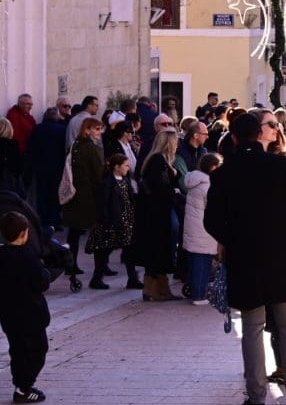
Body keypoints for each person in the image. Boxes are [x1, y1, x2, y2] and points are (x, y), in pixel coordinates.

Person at [205, 109, 286, 405]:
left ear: (235, 137)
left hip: (245, 259)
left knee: (252, 327)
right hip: (282, 255)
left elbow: (211, 220)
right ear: (260, 135)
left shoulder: (224, 173)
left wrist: (234, 239)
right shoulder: (282, 165)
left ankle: (256, 401)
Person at [0, 210, 50, 403]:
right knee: (37, 350)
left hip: (9, 314)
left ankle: (21, 384)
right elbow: (41, 282)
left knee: (18, 350)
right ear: (24, 233)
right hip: (30, 314)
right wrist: (45, 273)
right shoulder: (28, 256)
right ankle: (24, 387)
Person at [133, 129, 180, 302]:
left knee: (156, 251)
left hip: (153, 213)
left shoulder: (155, 160)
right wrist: (173, 191)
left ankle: (154, 288)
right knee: (158, 250)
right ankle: (156, 289)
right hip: (156, 214)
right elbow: (160, 187)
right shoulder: (158, 161)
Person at [87, 153, 140, 290]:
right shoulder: (107, 184)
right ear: (116, 167)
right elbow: (103, 205)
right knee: (103, 251)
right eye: (126, 166)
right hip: (112, 222)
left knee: (129, 250)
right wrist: (107, 222)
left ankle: (132, 278)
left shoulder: (125, 180)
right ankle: (96, 278)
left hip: (126, 221)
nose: (128, 168)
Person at [64, 117, 104, 277]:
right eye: (96, 129)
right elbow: (97, 174)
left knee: (73, 232)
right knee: (98, 232)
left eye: (100, 129)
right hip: (87, 195)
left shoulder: (74, 145)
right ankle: (99, 272)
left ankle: (70, 264)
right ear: (87, 130)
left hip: (74, 194)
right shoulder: (90, 147)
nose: (99, 132)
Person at [182, 153, 221, 304]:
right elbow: (214, 209)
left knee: (195, 262)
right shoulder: (208, 185)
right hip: (204, 230)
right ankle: (199, 295)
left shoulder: (194, 181)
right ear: (212, 167)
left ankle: (195, 292)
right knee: (202, 264)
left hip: (193, 229)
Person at [27, 108, 67, 229]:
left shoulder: (37, 128)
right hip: (57, 166)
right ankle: (54, 220)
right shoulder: (62, 129)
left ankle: (43, 221)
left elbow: (32, 147)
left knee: (42, 193)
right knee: (55, 194)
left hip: (41, 166)